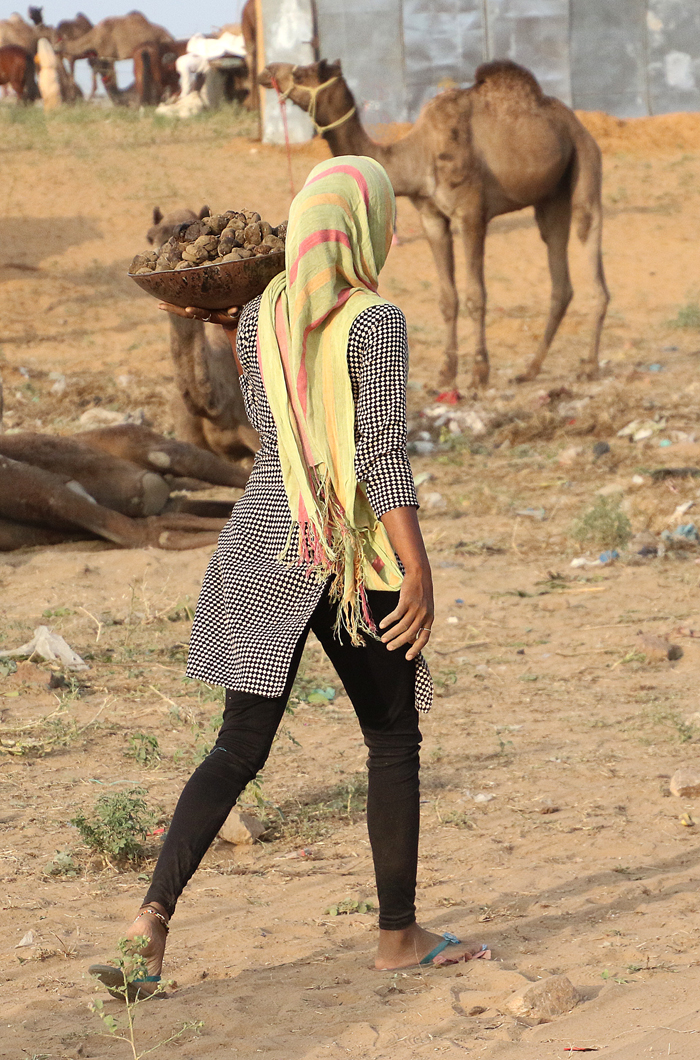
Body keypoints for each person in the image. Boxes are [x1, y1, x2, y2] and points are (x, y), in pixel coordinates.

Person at [91, 156, 481, 1001]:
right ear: (366, 227)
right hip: (350, 553)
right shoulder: (374, 320)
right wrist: (419, 571)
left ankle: (149, 922)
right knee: (391, 740)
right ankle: (397, 938)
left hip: (263, 542)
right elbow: (378, 456)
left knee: (236, 747)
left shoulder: (261, 318)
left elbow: (269, 430)